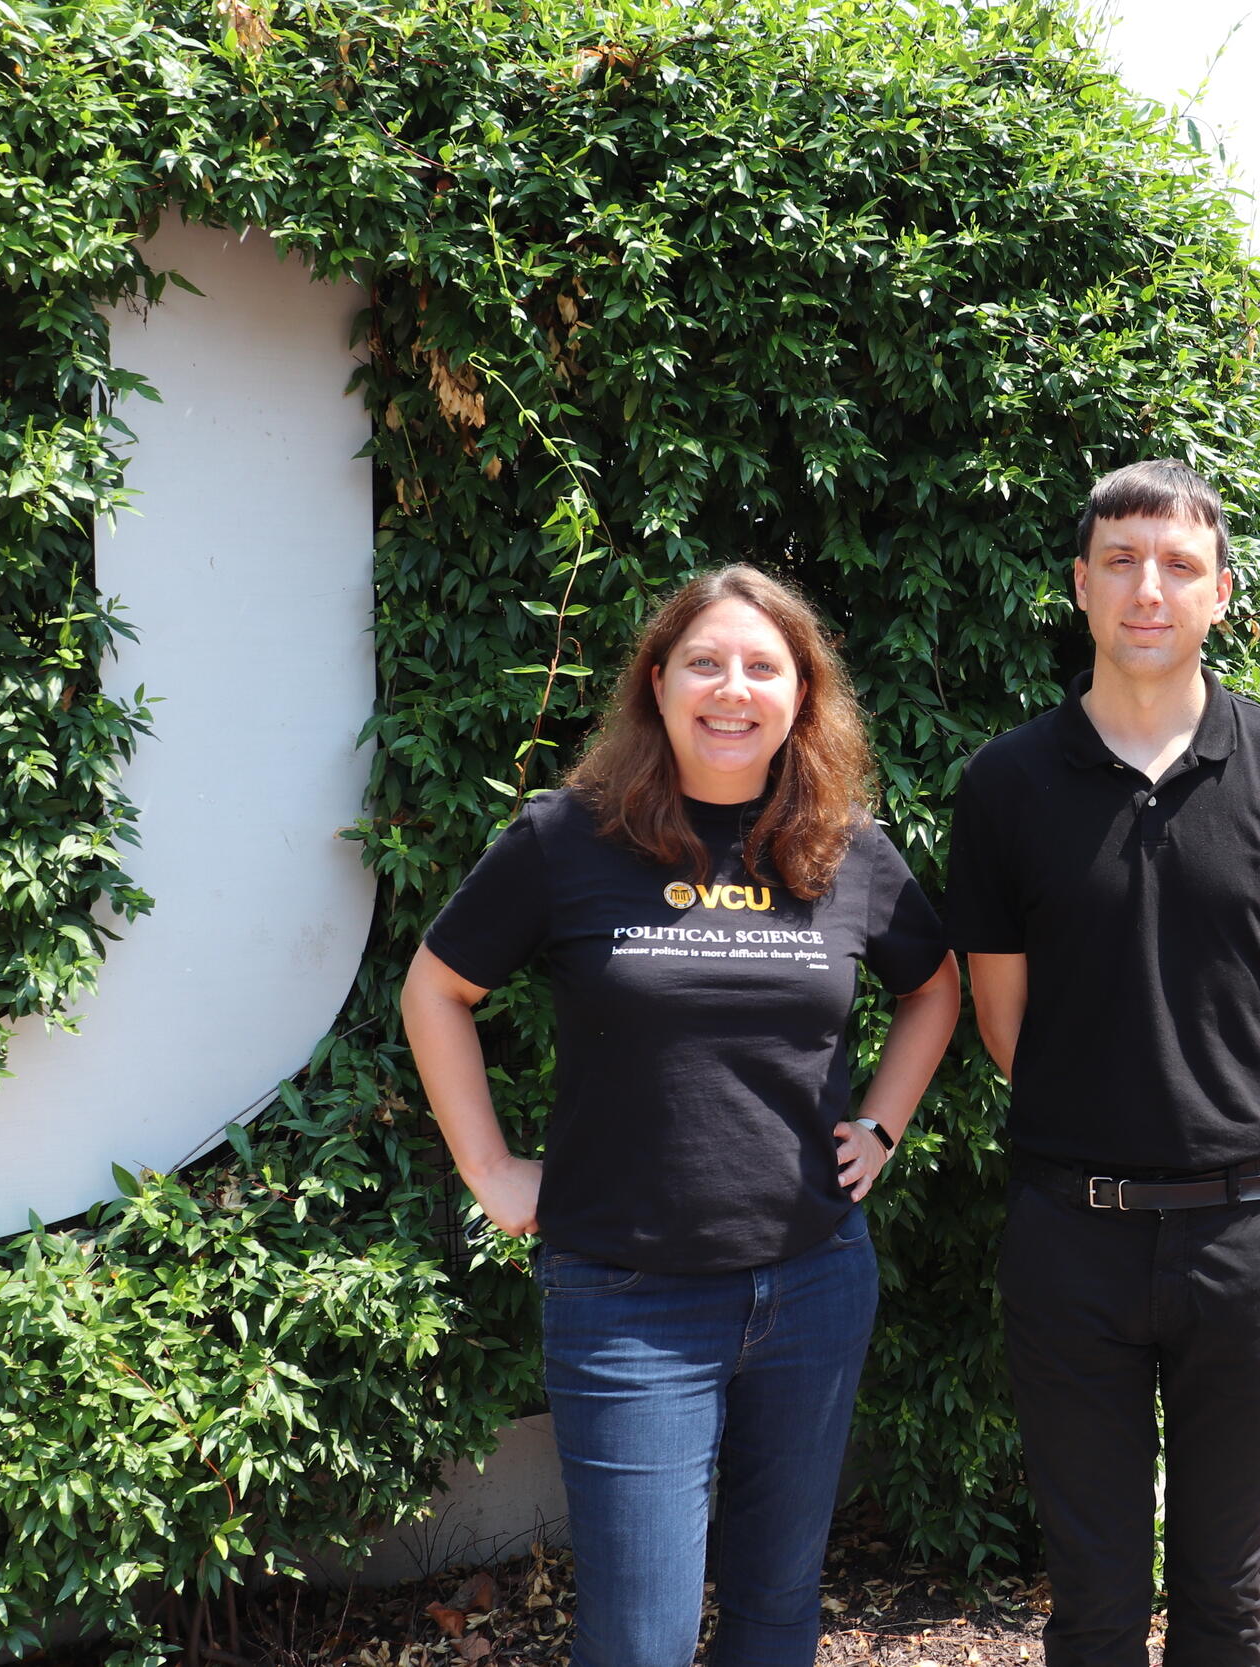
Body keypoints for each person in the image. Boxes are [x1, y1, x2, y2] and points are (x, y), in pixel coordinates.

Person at [400, 565, 961, 1667]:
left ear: (802, 694)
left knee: (775, 1611)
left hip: (812, 1278)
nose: (731, 688)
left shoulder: (846, 849)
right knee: (640, 1636)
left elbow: (933, 983)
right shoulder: (567, 840)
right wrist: (487, 1165)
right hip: (625, 1296)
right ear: (656, 684)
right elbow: (435, 987)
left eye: (763, 666)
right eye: (704, 661)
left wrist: (881, 1128)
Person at [944, 458, 1260, 1667]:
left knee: (1223, 1604)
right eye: (1122, 561)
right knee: (1089, 1603)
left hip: (1249, 1239)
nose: (1150, 587)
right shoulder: (1007, 781)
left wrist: (1237, 1119)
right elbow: (1000, 1017)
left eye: (1179, 564)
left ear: (1221, 591)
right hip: (1067, 1232)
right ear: (1079, 585)